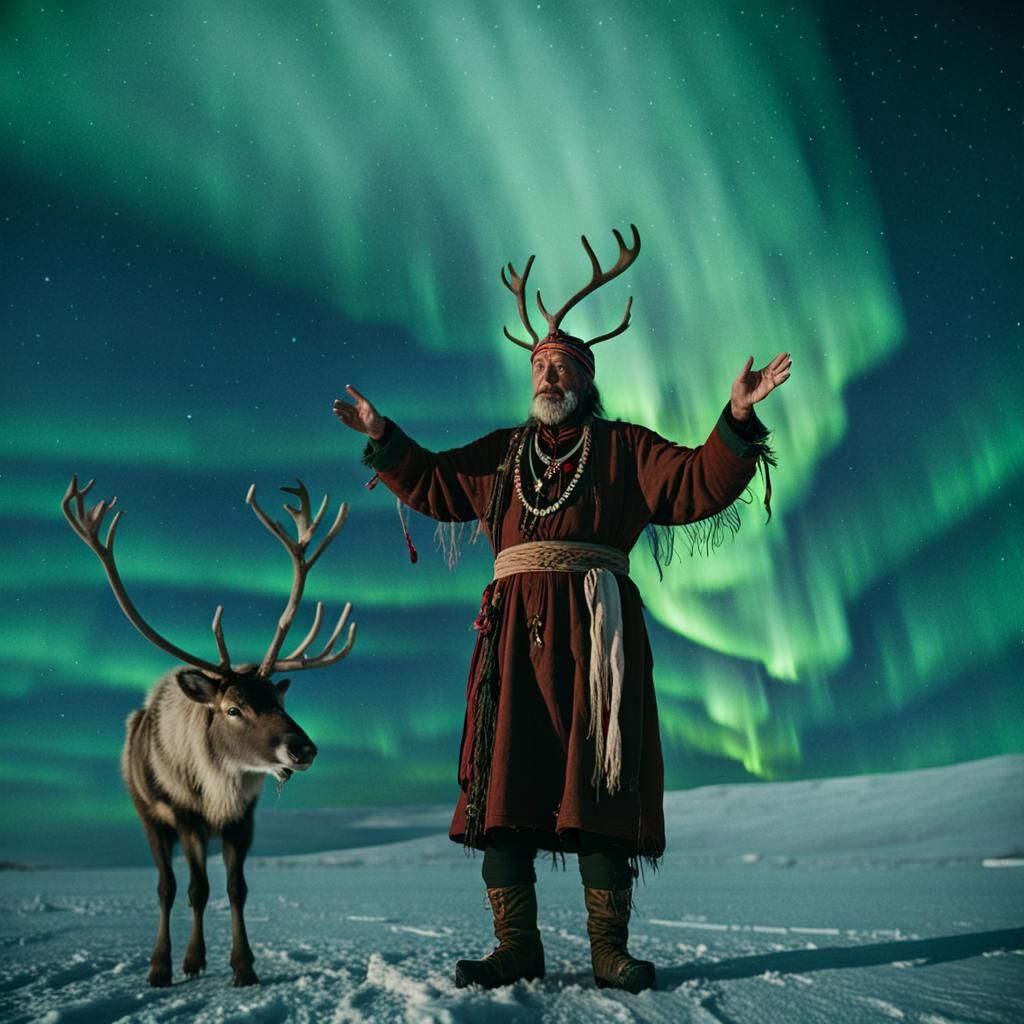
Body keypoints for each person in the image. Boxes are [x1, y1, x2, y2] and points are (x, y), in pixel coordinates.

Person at [333, 225, 790, 993]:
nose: (547, 375)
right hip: (511, 638)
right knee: (502, 782)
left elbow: (694, 482)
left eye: (562, 366)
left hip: (597, 634)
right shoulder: (503, 453)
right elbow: (440, 484)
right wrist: (385, 438)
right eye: (539, 366)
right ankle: (517, 946)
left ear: (586, 378)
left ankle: (609, 951)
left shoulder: (622, 450)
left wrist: (736, 422)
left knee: (601, 783)